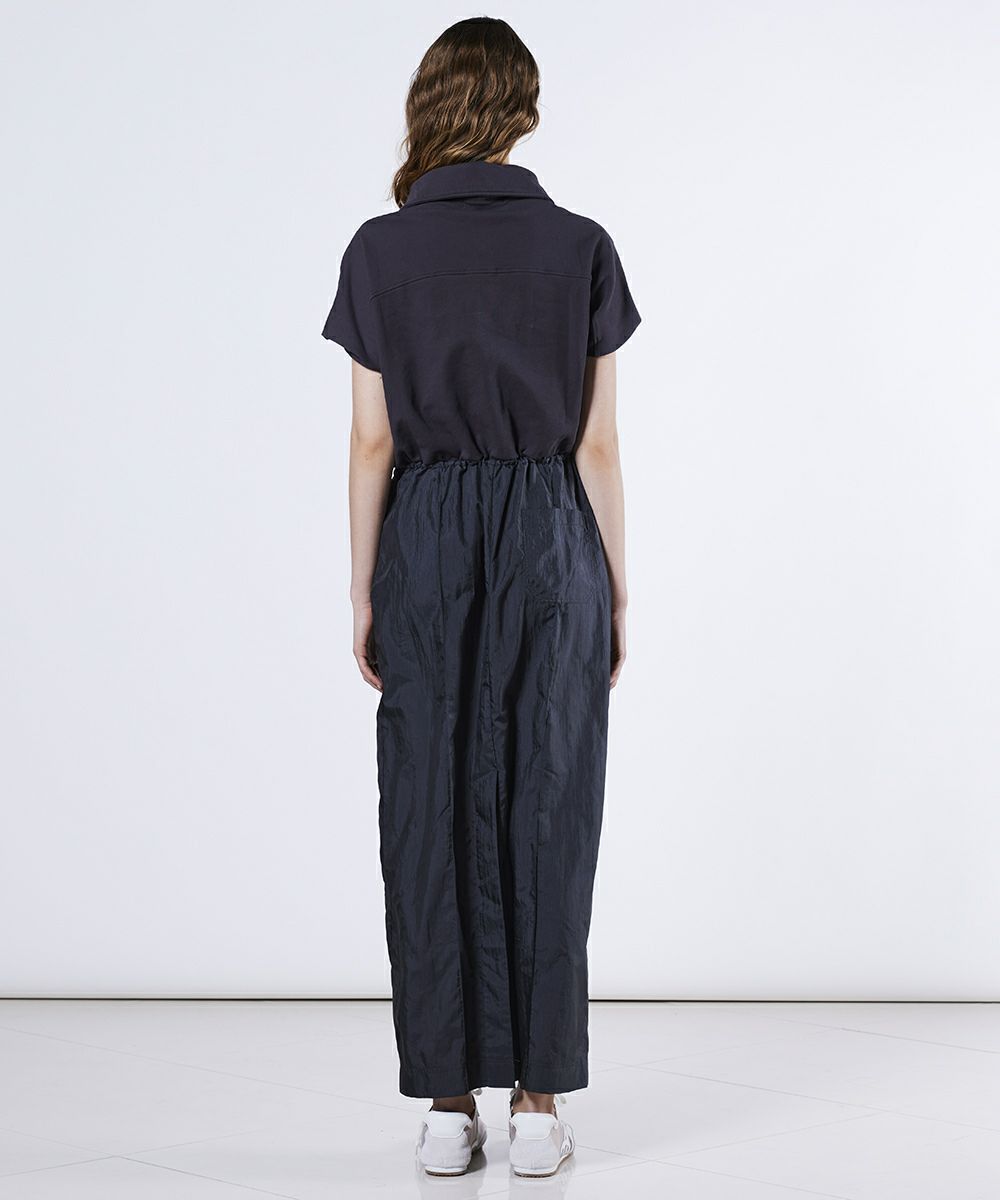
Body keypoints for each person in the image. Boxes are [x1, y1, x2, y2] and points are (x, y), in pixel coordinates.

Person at [322, 17, 640, 1180]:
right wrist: (614, 587)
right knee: (548, 795)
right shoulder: (581, 246)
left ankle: (447, 1106)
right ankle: (539, 1106)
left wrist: (363, 587)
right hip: (550, 531)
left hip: (423, 532)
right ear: (523, 111)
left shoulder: (379, 250)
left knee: (427, 801)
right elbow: (595, 446)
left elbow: (372, 441)